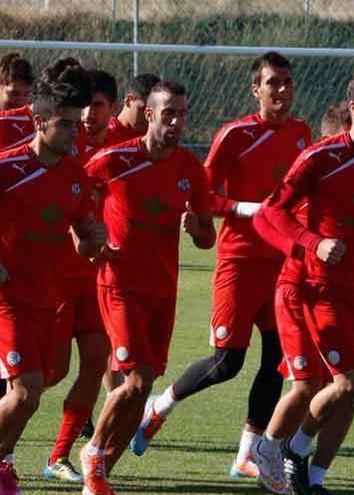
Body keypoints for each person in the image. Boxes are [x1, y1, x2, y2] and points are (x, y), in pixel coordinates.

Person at [129, 52, 312, 480]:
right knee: (227, 362)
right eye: (273, 83)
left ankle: (247, 452)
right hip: (241, 261)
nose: (281, 90)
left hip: (282, 264)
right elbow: (202, 197)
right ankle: (159, 407)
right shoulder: (235, 135)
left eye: (287, 82)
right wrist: (250, 209)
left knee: (276, 361)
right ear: (256, 90)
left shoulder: (303, 135)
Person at [0, 69, 106, 495]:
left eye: (77, 122)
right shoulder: (4, 167)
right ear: (39, 123)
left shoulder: (74, 176)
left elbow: (84, 238)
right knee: (23, 388)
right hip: (2, 293)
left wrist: (95, 238)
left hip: (45, 298)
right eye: (66, 123)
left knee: (33, 392)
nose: (75, 131)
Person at [252, 69, 354, 495]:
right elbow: (270, 214)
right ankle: (285, 448)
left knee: (351, 392)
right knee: (341, 383)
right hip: (317, 287)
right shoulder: (320, 159)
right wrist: (313, 243)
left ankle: (316, 477)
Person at [78, 80, 216, 495]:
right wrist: (87, 240)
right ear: (149, 114)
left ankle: (101, 474)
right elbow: (75, 195)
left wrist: (198, 229)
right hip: (118, 284)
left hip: (163, 289)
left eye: (182, 113)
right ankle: (93, 453)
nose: (176, 121)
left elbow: (208, 236)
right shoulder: (115, 159)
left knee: (144, 387)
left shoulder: (191, 170)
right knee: (136, 380)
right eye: (168, 113)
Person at [44, 68, 144, 483]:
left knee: (92, 366)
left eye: (97, 106)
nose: (87, 115)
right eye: (83, 108)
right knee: (47, 373)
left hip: (99, 278)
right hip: (55, 274)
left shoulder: (127, 148)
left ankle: (59, 456)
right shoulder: (66, 144)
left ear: (112, 108)